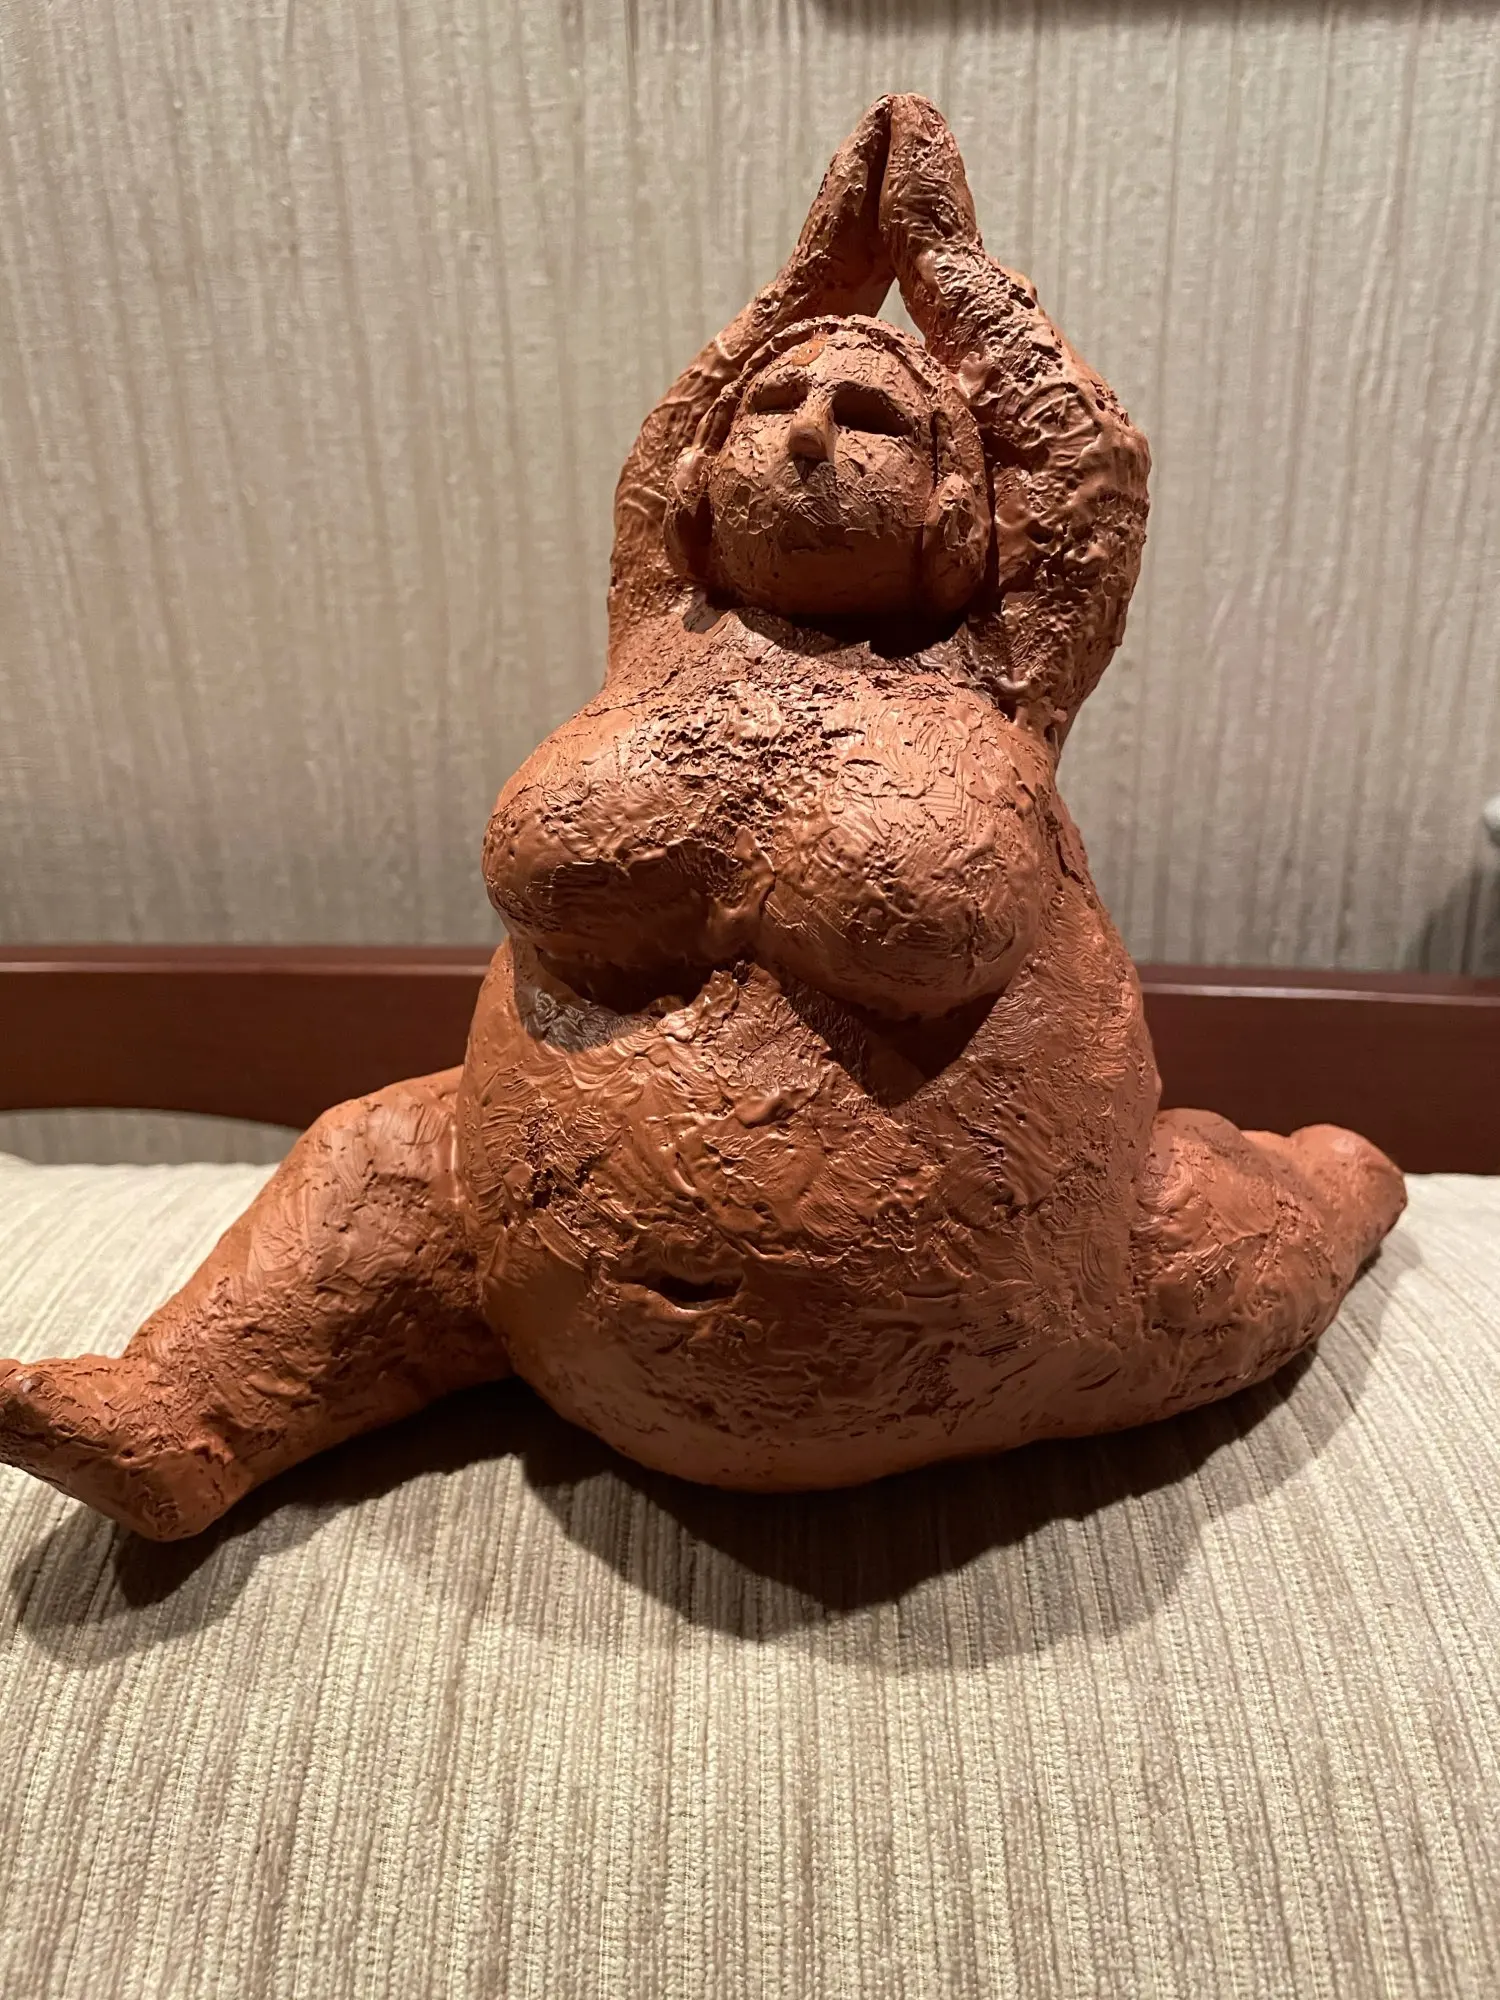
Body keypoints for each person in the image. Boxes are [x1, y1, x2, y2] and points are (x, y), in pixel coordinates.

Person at [0, 99, 1402, 1540]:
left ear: (956, 507)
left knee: (1238, 1227)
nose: (809, 435)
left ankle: (1347, 1184)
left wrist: (941, 264)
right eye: (773, 410)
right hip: (532, 1287)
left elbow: (1083, 475)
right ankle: (186, 1419)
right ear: (703, 476)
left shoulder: (996, 681)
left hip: (1020, 1319)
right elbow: (670, 430)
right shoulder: (658, 645)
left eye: (873, 419)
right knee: (377, 1166)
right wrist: (811, 282)